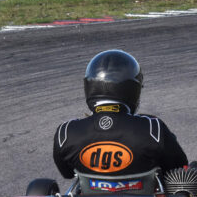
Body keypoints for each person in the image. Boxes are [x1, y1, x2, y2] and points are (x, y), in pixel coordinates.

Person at [53, 49, 188, 182]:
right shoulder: (153, 129)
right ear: (132, 89)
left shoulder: (66, 133)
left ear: (89, 86)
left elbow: (68, 173)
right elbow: (178, 167)